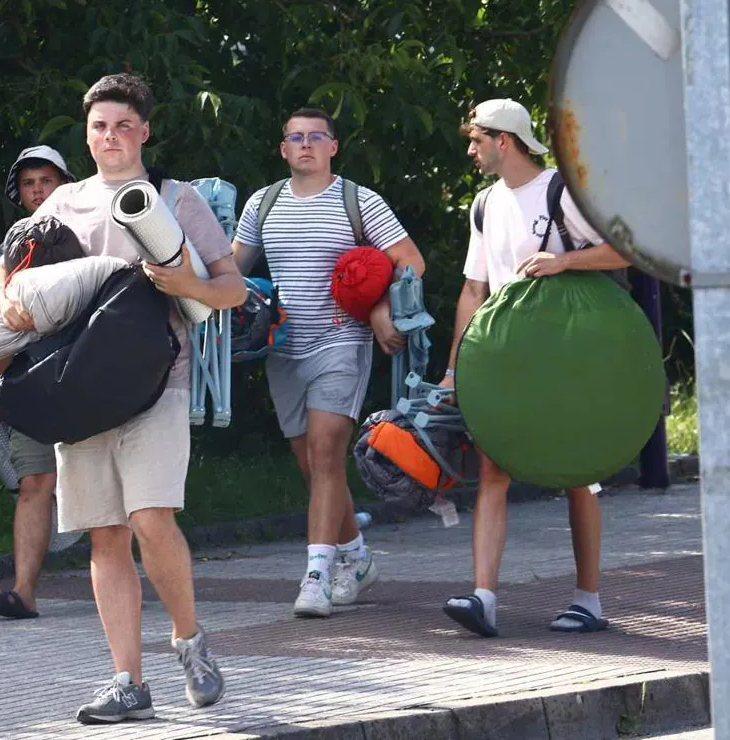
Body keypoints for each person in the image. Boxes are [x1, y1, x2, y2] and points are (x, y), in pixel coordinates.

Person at [0, 74, 246, 723]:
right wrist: (4, 298)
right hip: (80, 389)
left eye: (123, 125)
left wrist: (189, 283)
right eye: (99, 126)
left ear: (145, 131)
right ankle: (127, 681)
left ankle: (189, 644)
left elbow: (234, 288)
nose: (110, 136)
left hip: (159, 382)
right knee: (106, 536)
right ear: (87, 133)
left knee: (151, 519)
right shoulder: (63, 202)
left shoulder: (174, 198)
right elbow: (0, 266)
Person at [440, 99, 629, 637]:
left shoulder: (561, 191)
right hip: (507, 358)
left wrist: (564, 260)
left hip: (569, 356)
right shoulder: (483, 204)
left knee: (577, 474)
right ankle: (483, 599)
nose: (472, 150)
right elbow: (474, 289)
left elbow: (625, 251)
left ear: (505, 141)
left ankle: (588, 600)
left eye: (477, 140)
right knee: (493, 470)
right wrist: (456, 368)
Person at [232, 108, 424, 618]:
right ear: (283, 149)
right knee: (312, 466)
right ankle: (358, 560)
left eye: (316, 137)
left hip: (342, 343)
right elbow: (231, 272)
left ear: (333, 147)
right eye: (295, 137)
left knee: (324, 454)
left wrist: (381, 307)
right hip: (281, 349)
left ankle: (315, 578)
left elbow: (411, 260)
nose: (306, 145)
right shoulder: (263, 203)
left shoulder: (358, 200)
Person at [0, 145, 75, 620]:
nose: (38, 191)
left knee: (103, 482)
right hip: (31, 377)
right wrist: (2, 391)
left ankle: (117, 583)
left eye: (47, 181)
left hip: (90, 374)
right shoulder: (12, 243)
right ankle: (23, 592)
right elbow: (3, 328)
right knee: (35, 481)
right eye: (29, 183)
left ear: (64, 183)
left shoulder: (93, 224)